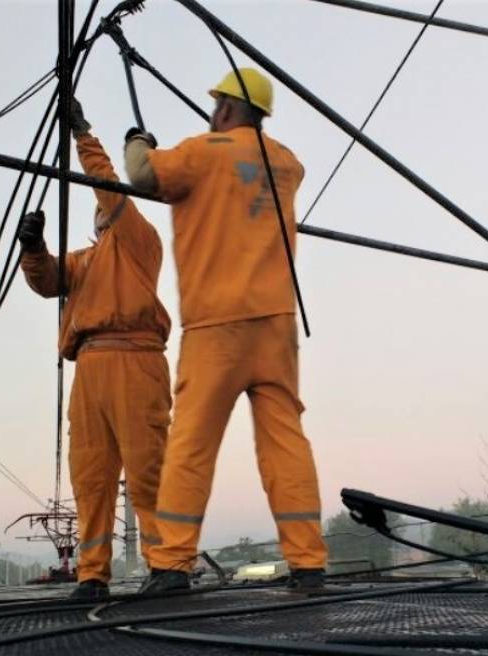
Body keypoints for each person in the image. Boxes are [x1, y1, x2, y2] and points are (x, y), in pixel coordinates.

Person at [123, 68, 328, 594]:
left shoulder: (201, 152)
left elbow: (142, 176)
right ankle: (308, 563)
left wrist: (137, 141)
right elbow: (266, 163)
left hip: (217, 324)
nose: (212, 111)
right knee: (285, 441)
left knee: (192, 444)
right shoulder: (286, 163)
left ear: (227, 109)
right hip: (277, 324)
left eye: (216, 104)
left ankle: (170, 565)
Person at [18, 101, 172, 601]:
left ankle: (170, 564)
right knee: (92, 477)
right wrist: (34, 248)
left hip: (135, 357)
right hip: (90, 367)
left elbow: (107, 186)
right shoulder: (85, 261)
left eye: (107, 207)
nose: (102, 214)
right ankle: (92, 573)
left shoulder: (139, 240)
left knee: (147, 466)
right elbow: (46, 282)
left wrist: (83, 134)